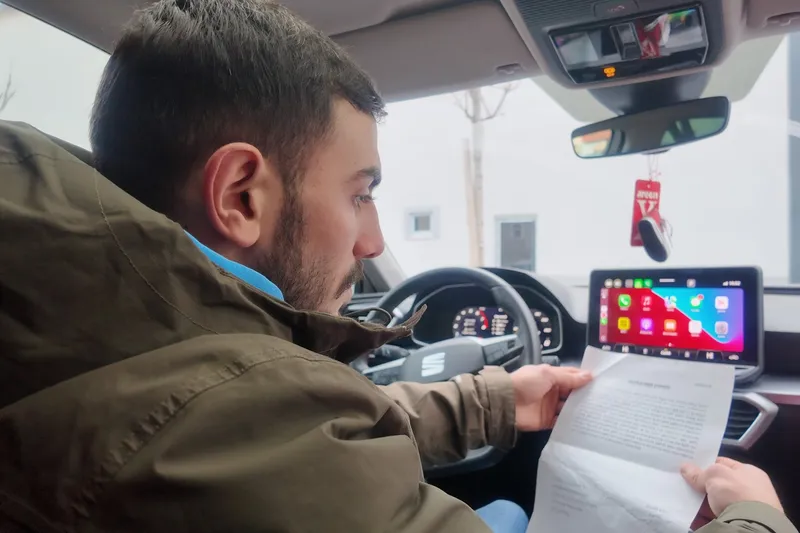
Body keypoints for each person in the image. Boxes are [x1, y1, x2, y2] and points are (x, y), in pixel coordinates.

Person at [0, 1, 793, 533]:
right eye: (360, 194)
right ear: (241, 195)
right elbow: (271, 428)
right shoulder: (214, 417)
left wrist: (491, 401)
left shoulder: (92, 326)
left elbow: (292, 429)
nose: (375, 241)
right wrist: (755, 517)